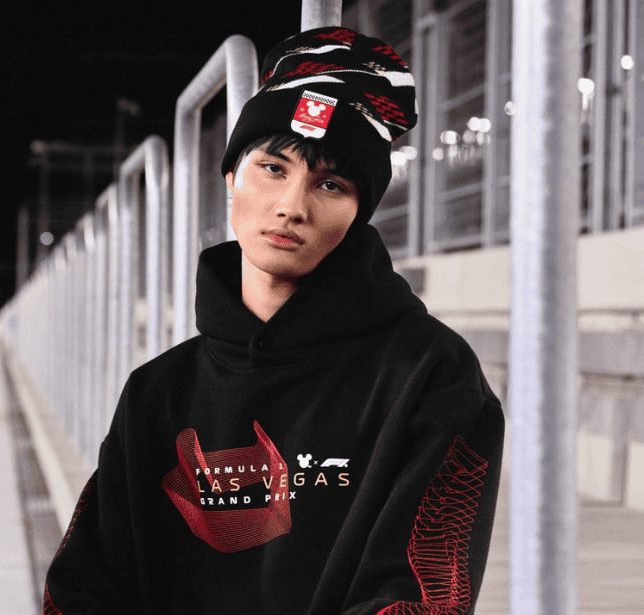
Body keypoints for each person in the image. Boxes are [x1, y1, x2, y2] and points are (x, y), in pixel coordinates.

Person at [44, 26, 504, 615]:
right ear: (232, 178)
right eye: (272, 168)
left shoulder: (429, 374)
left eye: (331, 183)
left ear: (359, 212)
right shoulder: (158, 391)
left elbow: (418, 597)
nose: (292, 205)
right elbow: (85, 585)